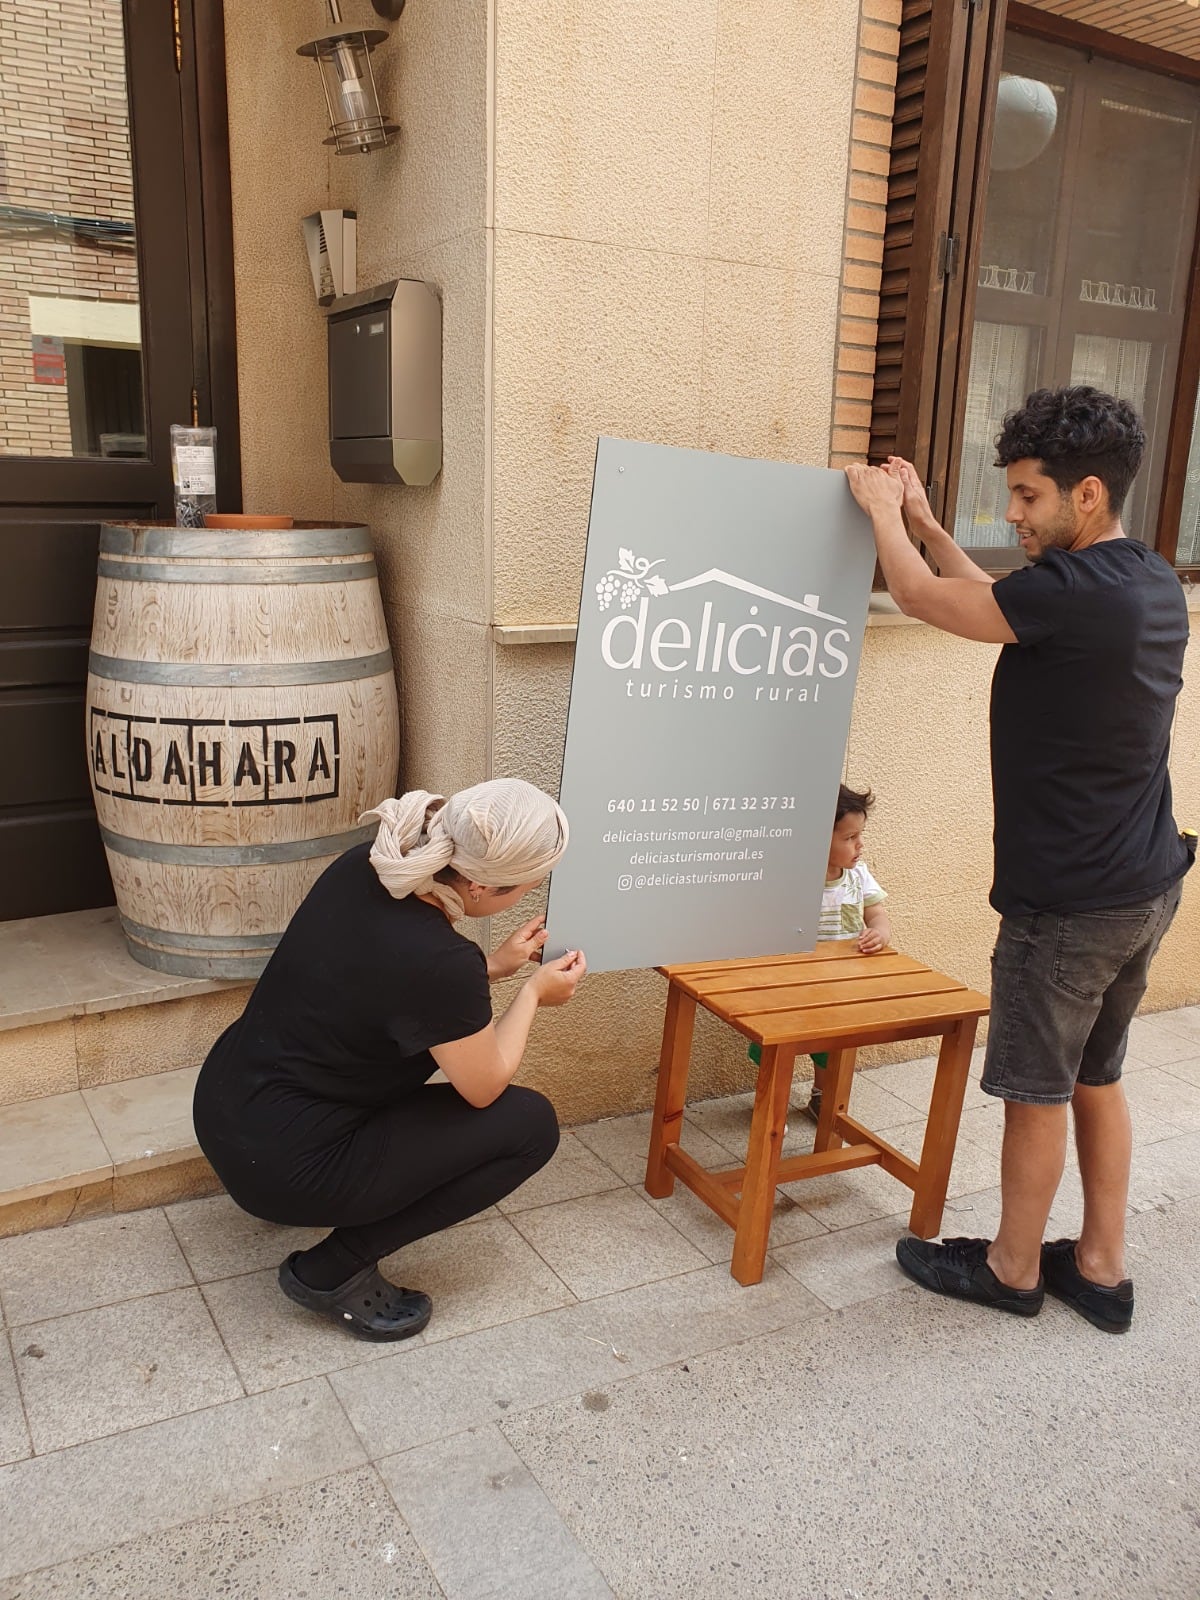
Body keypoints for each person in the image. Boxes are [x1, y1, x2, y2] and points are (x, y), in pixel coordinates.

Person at [846, 386, 1192, 1334]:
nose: (1012, 513)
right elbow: (997, 602)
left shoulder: (1074, 595)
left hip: (1069, 905)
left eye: (1028, 497)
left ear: (1086, 495)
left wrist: (880, 516)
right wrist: (920, 518)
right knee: (1098, 1076)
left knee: (1036, 1090)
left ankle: (1009, 1271)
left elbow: (923, 598)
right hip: (1143, 883)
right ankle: (1101, 1270)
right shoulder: (1147, 579)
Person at [192, 779, 586, 1342]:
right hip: (288, 1168)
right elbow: (485, 1085)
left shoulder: (368, 865)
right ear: (480, 885)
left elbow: (393, 978)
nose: (530, 893)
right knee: (529, 1126)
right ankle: (332, 1270)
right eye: (528, 885)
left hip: (230, 1105)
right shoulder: (442, 961)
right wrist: (532, 995)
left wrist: (491, 969)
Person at [748, 783, 891, 1123]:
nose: (859, 845)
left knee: (833, 1047)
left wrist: (881, 932)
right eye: (848, 838)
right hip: (795, 982)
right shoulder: (797, 878)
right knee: (779, 1044)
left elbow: (877, 913)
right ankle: (771, 1101)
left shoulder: (858, 875)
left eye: (860, 835)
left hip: (840, 984)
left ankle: (823, 1097)